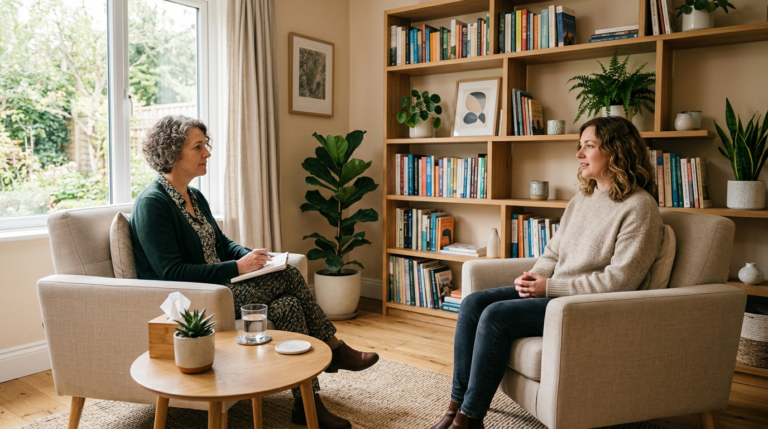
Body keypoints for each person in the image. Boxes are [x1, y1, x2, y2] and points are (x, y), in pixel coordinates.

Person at [130, 115, 378, 429]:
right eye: (198, 147)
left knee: (287, 304)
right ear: (173, 152)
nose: (207, 153)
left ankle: (307, 405)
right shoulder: (153, 204)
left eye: (205, 145)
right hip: (194, 301)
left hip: (222, 287)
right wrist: (237, 267)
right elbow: (171, 272)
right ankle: (334, 347)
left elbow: (221, 242)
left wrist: (253, 256)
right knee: (288, 275)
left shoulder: (194, 197)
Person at [431, 116, 664, 429]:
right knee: (473, 303)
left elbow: (619, 281)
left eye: (589, 146)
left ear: (617, 152)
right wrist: (533, 278)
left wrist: (550, 288)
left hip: (585, 306)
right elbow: (553, 252)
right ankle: (455, 406)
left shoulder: (640, 207)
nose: (579, 154)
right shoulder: (582, 199)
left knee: (496, 317)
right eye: (580, 146)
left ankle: (470, 418)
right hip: (555, 293)